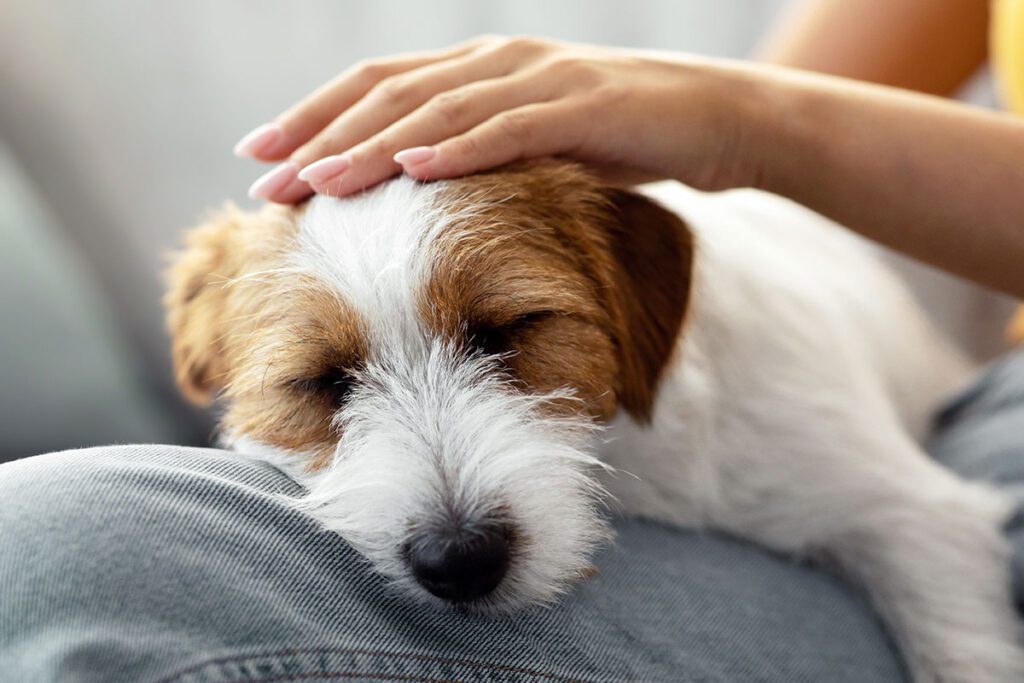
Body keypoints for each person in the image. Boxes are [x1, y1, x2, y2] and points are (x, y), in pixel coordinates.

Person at [2, 2, 1023, 681]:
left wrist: (737, 119)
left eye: (507, 333)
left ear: (641, 298)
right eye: (328, 383)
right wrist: (726, 115)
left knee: (61, 553)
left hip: (976, 444)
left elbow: (918, 531)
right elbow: (764, 135)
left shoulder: (766, 395)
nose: (450, 503)